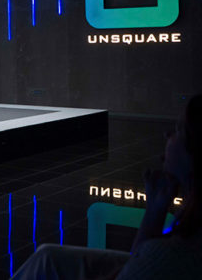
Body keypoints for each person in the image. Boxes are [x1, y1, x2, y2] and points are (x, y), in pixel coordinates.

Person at [12, 95, 202, 279]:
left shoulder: (171, 253)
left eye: (178, 130)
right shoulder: (187, 226)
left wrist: (154, 209)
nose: (167, 134)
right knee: (47, 257)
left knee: (46, 260)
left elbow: (138, 265)